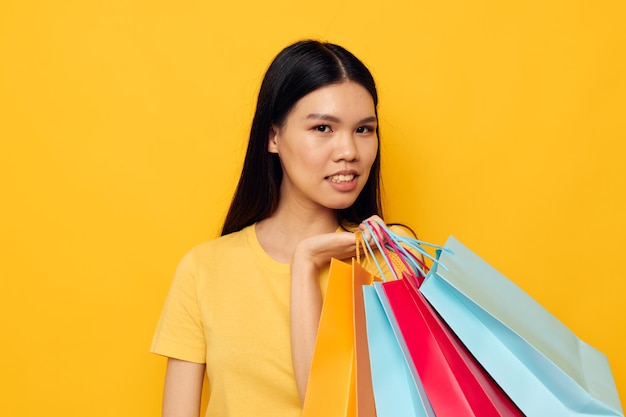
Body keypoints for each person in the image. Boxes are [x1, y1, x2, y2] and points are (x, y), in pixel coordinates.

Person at [151, 39, 390, 417]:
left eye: (364, 129)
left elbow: (333, 411)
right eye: (324, 127)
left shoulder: (392, 262)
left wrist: (306, 263)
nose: (349, 150)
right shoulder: (204, 269)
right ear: (273, 136)